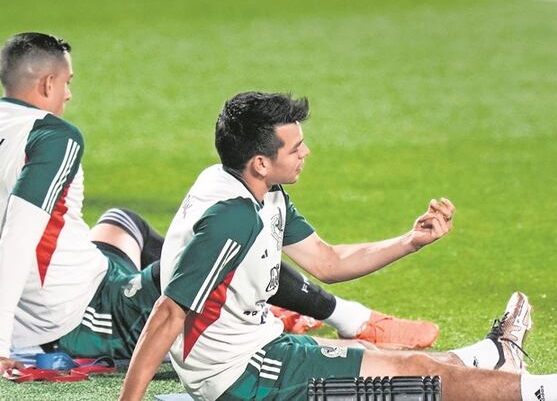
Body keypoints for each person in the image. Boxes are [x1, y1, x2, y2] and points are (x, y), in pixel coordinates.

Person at [120, 91, 557, 401]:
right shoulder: (230, 217)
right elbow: (168, 314)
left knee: (379, 356)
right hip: (245, 379)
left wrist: (411, 241)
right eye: (295, 147)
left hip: (262, 350)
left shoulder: (258, 193)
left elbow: (327, 261)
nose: (307, 152)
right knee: (417, 377)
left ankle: (492, 356)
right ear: (260, 161)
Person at [0, 32, 433, 378]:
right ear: (47, 84)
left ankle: (275, 303)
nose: (69, 96)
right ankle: (351, 319)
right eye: (68, 84)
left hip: (86, 274)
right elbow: (18, 237)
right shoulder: (53, 136)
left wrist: (410, 241)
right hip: (84, 314)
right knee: (228, 249)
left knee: (122, 221)